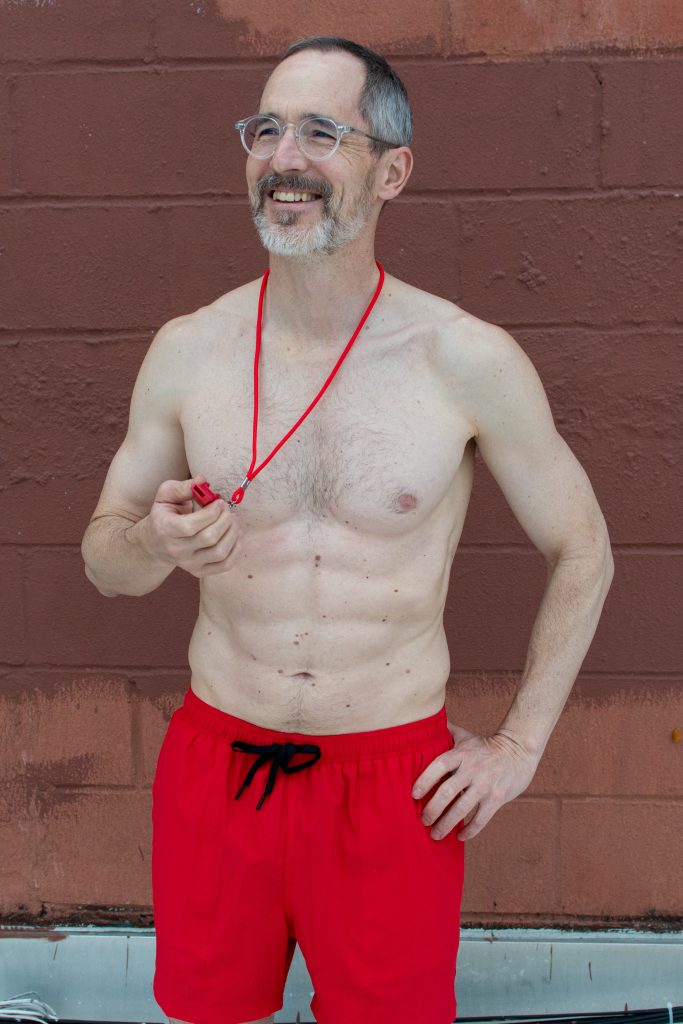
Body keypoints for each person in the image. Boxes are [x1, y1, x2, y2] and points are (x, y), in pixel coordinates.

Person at [80, 35, 614, 1024]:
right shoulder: (188, 351)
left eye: (321, 133)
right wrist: (150, 542)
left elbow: (581, 548)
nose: (284, 158)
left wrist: (519, 744)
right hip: (217, 769)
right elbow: (104, 560)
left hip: (388, 783)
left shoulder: (465, 359)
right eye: (266, 130)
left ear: (391, 170)